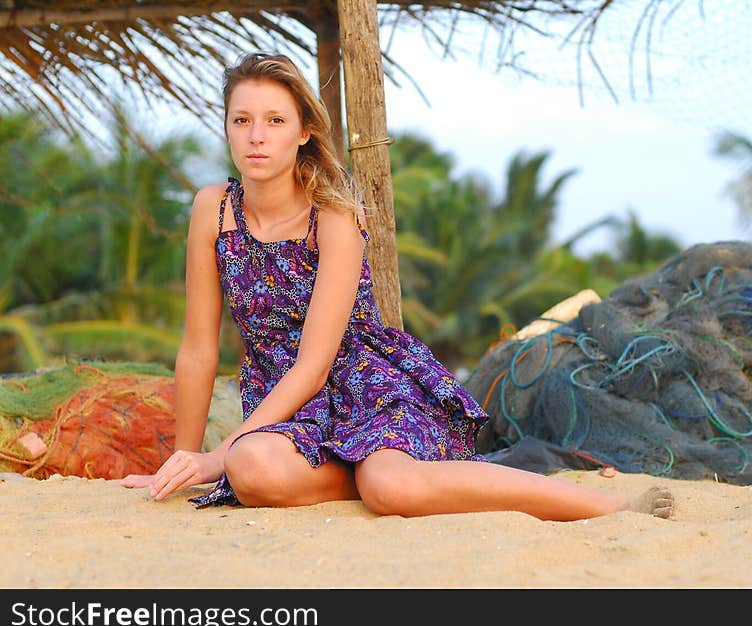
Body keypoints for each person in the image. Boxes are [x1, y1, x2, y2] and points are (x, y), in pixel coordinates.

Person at [120, 52, 674, 521]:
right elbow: (197, 349)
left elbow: (315, 364)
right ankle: (348, 474)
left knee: (390, 488)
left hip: (367, 386)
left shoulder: (333, 216)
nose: (257, 137)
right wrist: (184, 459)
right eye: (241, 121)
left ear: (304, 130)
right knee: (251, 468)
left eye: (274, 120)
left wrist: (219, 458)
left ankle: (607, 507)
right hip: (283, 408)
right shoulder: (212, 209)